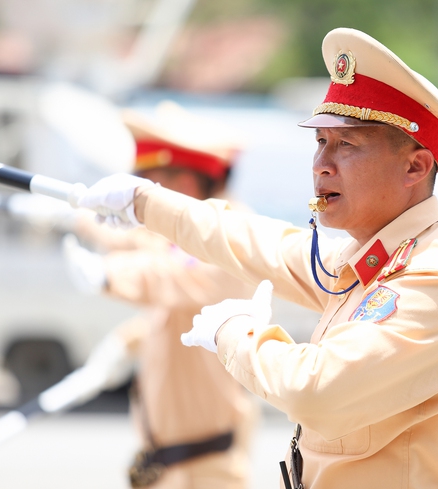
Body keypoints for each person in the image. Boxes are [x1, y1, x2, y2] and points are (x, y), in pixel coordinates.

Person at [77, 28, 438, 489]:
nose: (322, 163)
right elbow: (255, 242)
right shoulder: (372, 262)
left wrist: (236, 335)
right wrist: (148, 202)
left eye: (347, 145)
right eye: (320, 142)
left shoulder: (436, 279)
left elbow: (315, 391)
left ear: (415, 167)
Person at [64, 101, 259, 489]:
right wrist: (124, 344)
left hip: (205, 467)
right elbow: (169, 301)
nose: (150, 204)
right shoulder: (192, 235)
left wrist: (106, 273)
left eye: (157, 186)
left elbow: (170, 277)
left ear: (189, 184)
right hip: (172, 463)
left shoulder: (228, 237)